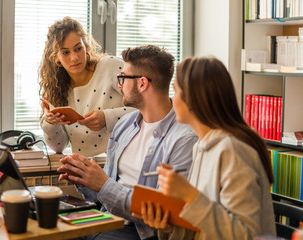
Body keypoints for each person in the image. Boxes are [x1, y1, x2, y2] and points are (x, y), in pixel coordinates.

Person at [57, 45, 198, 240]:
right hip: (105, 218)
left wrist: (103, 184)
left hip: (140, 231)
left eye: (123, 78)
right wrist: (83, 176)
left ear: (142, 83)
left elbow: (164, 213)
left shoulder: (184, 139)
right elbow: (107, 188)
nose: (120, 84)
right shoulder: (125, 125)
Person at [136, 57, 276, 239]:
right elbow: (203, 225)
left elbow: (246, 234)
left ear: (192, 100)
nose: (172, 99)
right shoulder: (202, 146)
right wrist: (169, 227)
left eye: (176, 92)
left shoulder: (233, 150)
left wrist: (189, 194)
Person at [39, 16, 134, 157]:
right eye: (65, 52)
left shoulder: (111, 67)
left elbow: (146, 108)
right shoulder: (58, 90)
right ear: (56, 57)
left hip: (123, 164)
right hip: (85, 171)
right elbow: (58, 147)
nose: (74, 57)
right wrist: (49, 124)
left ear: (85, 46)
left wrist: (107, 118)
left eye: (78, 48)